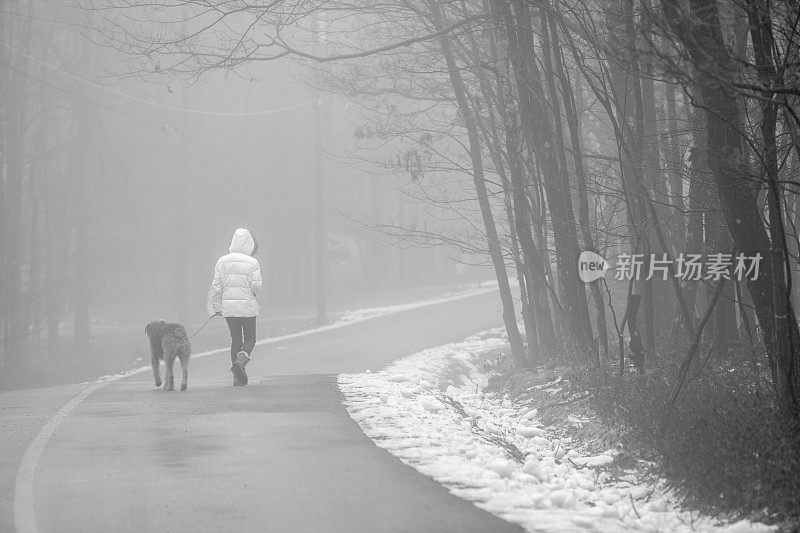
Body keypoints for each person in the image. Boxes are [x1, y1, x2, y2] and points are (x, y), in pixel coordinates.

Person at [209, 228, 262, 386]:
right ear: (250, 244)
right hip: (247, 306)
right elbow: (257, 286)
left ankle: (237, 378)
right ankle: (241, 361)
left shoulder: (221, 261)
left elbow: (217, 287)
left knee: (236, 340)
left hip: (229, 308)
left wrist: (217, 307)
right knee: (250, 338)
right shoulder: (253, 262)